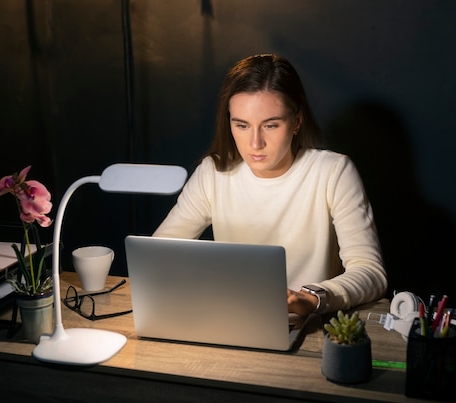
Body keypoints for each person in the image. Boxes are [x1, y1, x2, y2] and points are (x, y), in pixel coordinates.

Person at [153, 53, 387, 317]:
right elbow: (157, 256)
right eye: (241, 125)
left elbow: (370, 272)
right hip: (230, 317)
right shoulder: (213, 173)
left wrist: (311, 299)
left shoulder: (332, 172)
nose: (255, 143)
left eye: (271, 125)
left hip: (306, 327)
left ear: (296, 121)